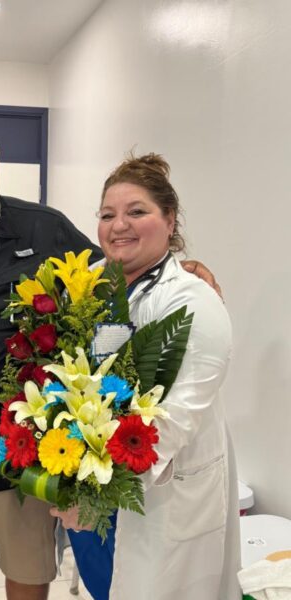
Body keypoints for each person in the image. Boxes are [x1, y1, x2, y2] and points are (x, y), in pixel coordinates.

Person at [0, 101, 220, 600]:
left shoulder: (45, 228)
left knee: (30, 573)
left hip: (35, 448)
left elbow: (113, 281)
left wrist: (178, 269)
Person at [51, 154, 241, 600]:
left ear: (170, 220)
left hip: (151, 493)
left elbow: (171, 422)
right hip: (91, 486)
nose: (119, 225)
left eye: (137, 211)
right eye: (107, 215)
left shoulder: (194, 302)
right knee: (105, 587)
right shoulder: (90, 284)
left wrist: (90, 493)